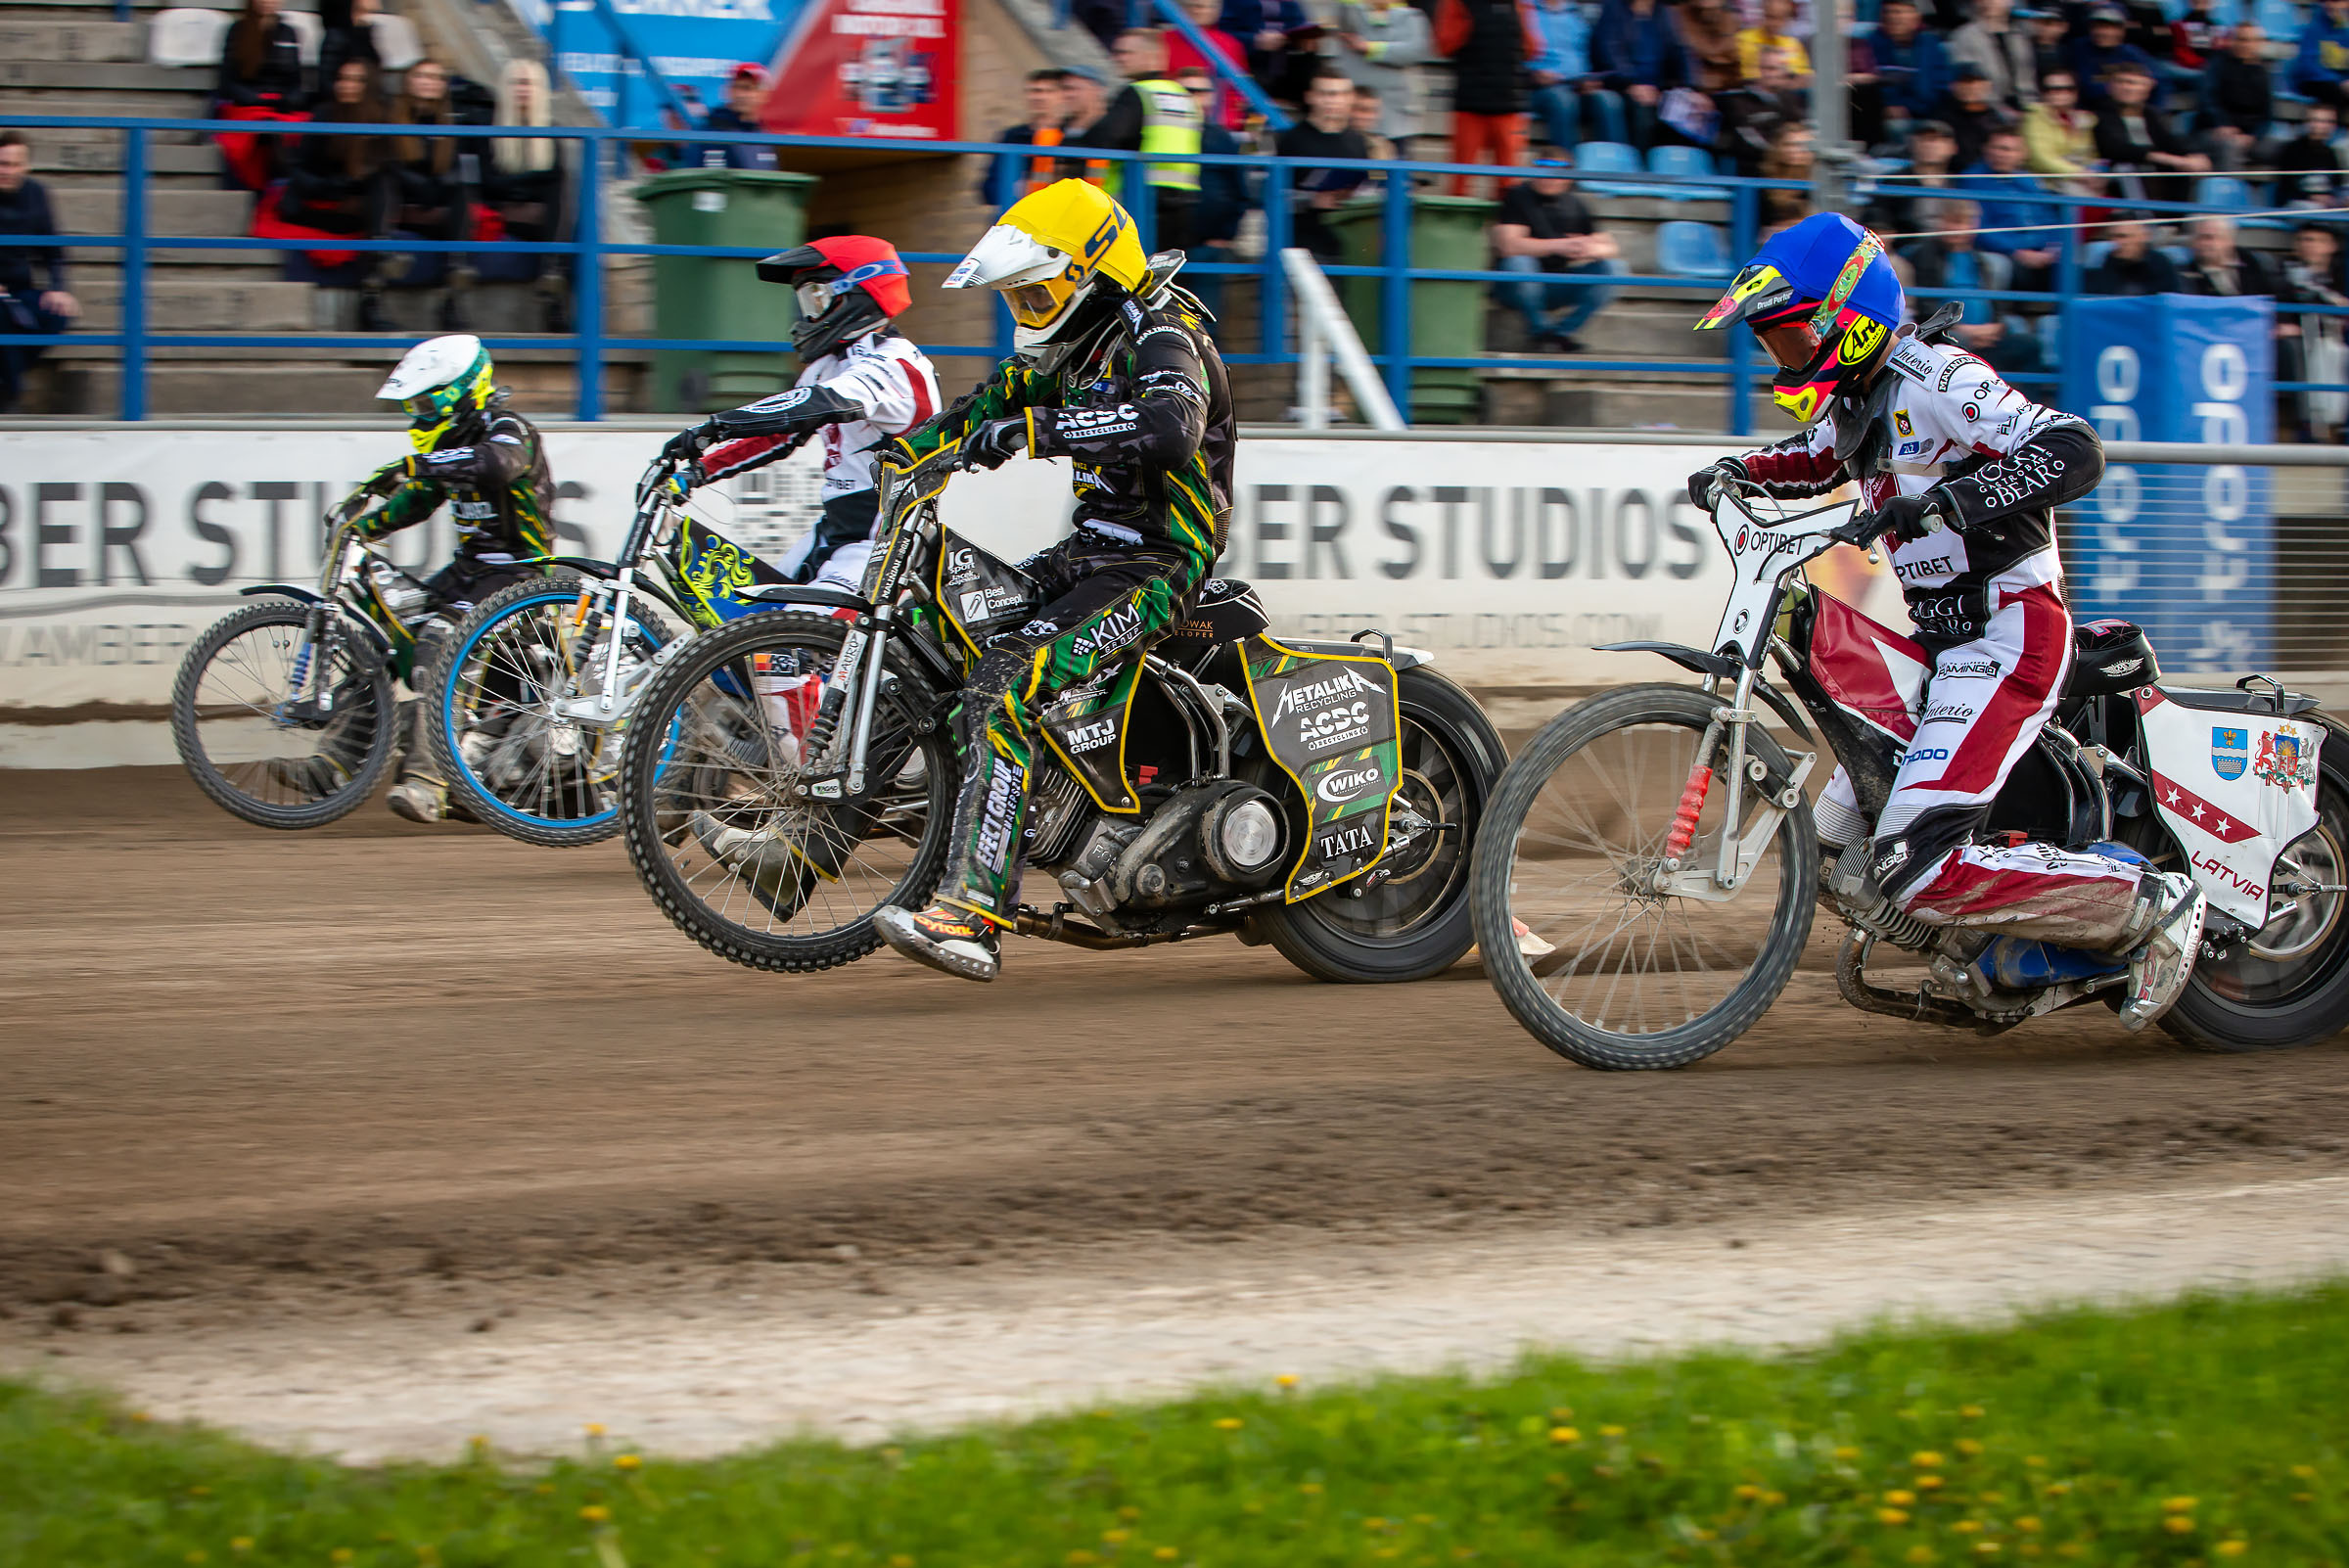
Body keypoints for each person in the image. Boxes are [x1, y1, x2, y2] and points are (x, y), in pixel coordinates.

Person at [1685, 211, 2207, 1032]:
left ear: (1846, 317)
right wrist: (1732, 470)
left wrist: (1961, 500)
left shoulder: (1937, 377)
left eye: (1791, 338)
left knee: (1908, 866)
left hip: (2010, 633)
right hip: (1940, 652)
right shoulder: (1860, 400)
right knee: (1828, 851)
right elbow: (1813, 456)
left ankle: (2149, 904)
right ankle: (1987, 945)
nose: (1781, 358)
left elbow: (2072, 447)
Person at [870, 179, 1235, 982]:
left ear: (1095, 271)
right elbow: (981, 408)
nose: (1027, 307)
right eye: (1017, 294)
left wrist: (1037, 430)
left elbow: (1171, 429)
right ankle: (806, 844)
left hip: (1160, 563)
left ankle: (974, 915)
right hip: (1089, 554)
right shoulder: (1073, 347)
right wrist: (905, 455)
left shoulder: (1161, 334)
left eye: (1037, 289)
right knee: (949, 643)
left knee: (1004, 686)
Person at [339, 335, 557, 823]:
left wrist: (419, 464)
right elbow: (418, 500)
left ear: (458, 391)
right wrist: (362, 528)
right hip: (469, 570)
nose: (417, 415)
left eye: (422, 402)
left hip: (519, 573)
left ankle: (428, 780)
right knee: (383, 636)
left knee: (441, 640)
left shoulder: (509, 428)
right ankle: (333, 763)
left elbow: (499, 464)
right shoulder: (451, 442)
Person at [665, 238, 941, 605]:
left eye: (817, 298)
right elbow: (778, 435)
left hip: (881, 540)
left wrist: (718, 424)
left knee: (796, 648)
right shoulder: (830, 364)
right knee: (746, 616)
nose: (805, 317)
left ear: (858, 293)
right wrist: (695, 472)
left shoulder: (897, 363)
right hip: (833, 530)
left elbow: (819, 403)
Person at [372, 58, 475, 331]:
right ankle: (371, 292)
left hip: (434, 204)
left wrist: (436, 189)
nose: (429, 82)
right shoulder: (390, 117)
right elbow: (389, 164)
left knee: (462, 192)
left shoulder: (452, 125)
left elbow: (456, 169)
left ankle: (454, 286)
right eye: (422, 76)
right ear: (409, 81)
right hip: (399, 202)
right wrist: (424, 187)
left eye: (437, 77)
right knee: (382, 182)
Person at [1082, 30, 1206, 253]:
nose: (1118, 58)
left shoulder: (1138, 92)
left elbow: (1106, 136)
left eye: (1126, 52)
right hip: (1185, 199)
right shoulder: (1183, 95)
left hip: (1142, 196)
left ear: (1149, 56)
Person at [1491, 158, 1623, 351]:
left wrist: (1588, 248)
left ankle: (1560, 334)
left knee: (1614, 268)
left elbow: (1611, 247)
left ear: (1568, 177)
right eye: (1543, 172)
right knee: (1519, 263)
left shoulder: (1575, 203)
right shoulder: (1518, 195)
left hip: (1554, 284)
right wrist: (1560, 245)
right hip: (1513, 287)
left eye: (1556, 174)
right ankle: (1541, 332)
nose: (1549, 179)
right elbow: (1509, 246)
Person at [484, 59, 570, 332]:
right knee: (552, 198)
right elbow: (488, 183)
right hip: (500, 212)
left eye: (529, 83)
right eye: (516, 83)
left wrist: (518, 185)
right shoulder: (487, 129)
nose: (523, 89)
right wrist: (525, 184)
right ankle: (552, 281)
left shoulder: (552, 131)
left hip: (539, 218)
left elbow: (554, 177)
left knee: (559, 198)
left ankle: (552, 281)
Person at [0, 132, 78, 416]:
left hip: (21, 289)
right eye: (2, 163)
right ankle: (13, 391)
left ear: (26, 166)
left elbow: (53, 252)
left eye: (13, 164)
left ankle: (8, 380)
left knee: (59, 312)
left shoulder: (37, 194)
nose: (6, 171)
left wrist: (59, 288)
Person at [277, 57, 383, 237]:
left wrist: (346, 185)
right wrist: (320, 185)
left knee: (377, 190)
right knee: (289, 204)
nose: (346, 85)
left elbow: (376, 167)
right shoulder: (323, 113)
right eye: (343, 79)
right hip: (320, 189)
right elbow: (301, 164)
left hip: (354, 192)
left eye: (356, 80)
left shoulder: (380, 119)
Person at [1438, 0, 1536, 192]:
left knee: (1506, 183)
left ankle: (1508, 221)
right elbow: (1445, 44)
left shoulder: (1519, 4)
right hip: (1477, 104)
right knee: (1462, 180)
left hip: (1504, 105)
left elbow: (1532, 47)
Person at [214, 0, 311, 190]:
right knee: (265, 131)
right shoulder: (238, 31)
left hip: (280, 106)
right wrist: (256, 99)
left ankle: (284, 183)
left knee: (304, 128)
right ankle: (279, 184)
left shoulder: (289, 33)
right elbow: (227, 83)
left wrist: (288, 100)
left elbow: (296, 83)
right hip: (247, 106)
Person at [1274, 70, 1372, 258]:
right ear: (1310, 97)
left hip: (1347, 242)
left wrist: (1354, 195)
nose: (1333, 101)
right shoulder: (1290, 140)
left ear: (1351, 98)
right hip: (1302, 246)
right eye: (1326, 94)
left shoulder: (1358, 140)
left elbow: (1367, 184)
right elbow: (1268, 193)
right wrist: (1311, 199)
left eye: (1342, 94)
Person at [1960, 126, 2064, 294]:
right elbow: (1977, 226)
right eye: (1996, 148)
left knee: (2073, 258)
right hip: (2003, 251)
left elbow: (2049, 218)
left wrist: (2052, 249)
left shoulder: (2029, 181)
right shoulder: (1972, 180)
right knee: (1997, 265)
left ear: (2022, 155)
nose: (2000, 154)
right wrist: (2017, 251)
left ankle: (2065, 317)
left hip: (2042, 250)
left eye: (2008, 150)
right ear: (1986, 149)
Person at [2096, 58, 2205, 206]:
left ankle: (2177, 222)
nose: (2126, 88)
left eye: (2132, 83)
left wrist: (2193, 155)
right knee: (2128, 169)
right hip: (2120, 173)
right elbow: (2116, 148)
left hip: (2154, 170)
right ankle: (2146, 220)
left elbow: (2170, 141)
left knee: (2186, 168)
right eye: (2120, 82)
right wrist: (2163, 158)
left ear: (2147, 89)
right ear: (2110, 87)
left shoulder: (2151, 114)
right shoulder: (2100, 114)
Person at [1524, 0, 1626, 152]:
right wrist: (1533, 75)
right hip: (1539, 88)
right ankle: (1565, 169)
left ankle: (1614, 165)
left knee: (1608, 101)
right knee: (1563, 100)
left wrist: (1589, 79)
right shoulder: (1526, 12)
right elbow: (1512, 56)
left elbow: (1591, 57)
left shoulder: (1577, 15)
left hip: (1577, 85)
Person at [1334, 0, 1435, 150]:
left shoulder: (1411, 17)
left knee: (1394, 166)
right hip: (1355, 116)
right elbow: (1345, 20)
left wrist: (1371, 48)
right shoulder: (1352, 12)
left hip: (1396, 117)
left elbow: (1415, 50)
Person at [1591, 0, 1689, 151]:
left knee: (1690, 110)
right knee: (1642, 110)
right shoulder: (1614, 8)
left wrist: (1691, 89)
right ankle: (1637, 168)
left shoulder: (1665, 13)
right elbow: (1608, 52)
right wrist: (1630, 84)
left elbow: (1681, 53)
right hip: (1622, 86)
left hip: (1659, 89)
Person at [2282, 223, 2349, 441]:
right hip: (2306, 333)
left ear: (2331, 246)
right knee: (2319, 350)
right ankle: (2312, 426)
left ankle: (2338, 426)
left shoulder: (2341, 272)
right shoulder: (2287, 272)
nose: (2308, 246)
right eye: (2304, 240)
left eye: (2316, 240)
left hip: (2336, 332)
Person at [983, 69, 1069, 206]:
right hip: (1018, 215)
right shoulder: (1012, 137)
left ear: (1061, 97)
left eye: (1048, 91)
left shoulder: (1070, 138)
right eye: (1034, 91)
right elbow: (988, 189)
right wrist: (1015, 189)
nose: (1039, 97)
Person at [1717, 46, 1807, 177]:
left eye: (1779, 69)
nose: (1773, 74)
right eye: (1768, 68)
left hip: (1786, 166)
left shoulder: (1790, 99)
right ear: (1757, 70)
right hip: (1751, 171)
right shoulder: (1738, 100)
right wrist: (1779, 153)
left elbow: (1800, 130)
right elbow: (1750, 139)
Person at [1869, 0, 1951, 141]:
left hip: (1928, 113)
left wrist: (1908, 107)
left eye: (1899, 12)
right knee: (1895, 127)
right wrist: (1889, 106)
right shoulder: (1871, 45)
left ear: (1915, 18)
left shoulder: (1930, 45)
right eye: (1888, 12)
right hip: (1883, 115)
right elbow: (1872, 86)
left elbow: (1939, 87)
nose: (1893, 17)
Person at [2198, 23, 2274, 171]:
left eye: (2252, 41)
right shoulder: (2217, 64)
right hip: (2215, 132)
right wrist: (2222, 124)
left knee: (2290, 149)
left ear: (2259, 44)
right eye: (2241, 39)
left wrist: (2253, 136)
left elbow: (2268, 114)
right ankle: (2229, 192)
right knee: (2229, 146)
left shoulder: (2262, 73)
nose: (2246, 45)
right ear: (2232, 40)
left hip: (2250, 138)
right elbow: (2207, 99)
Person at [1169, 0, 1250, 131]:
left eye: (1207, 7)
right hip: (1173, 110)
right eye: (1194, 5)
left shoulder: (1231, 44)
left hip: (1218, 116)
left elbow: (1238, 88)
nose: (1199, 10)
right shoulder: (1165, 40)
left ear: (1217, 11)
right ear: (1182, 8)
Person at [1948, 0, 2037, 111]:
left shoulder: (2022, 34)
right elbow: (1967, 82)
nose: (1990, 2)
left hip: (2027, 103)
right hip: (1987, 108)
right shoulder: (1964, 36)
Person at [690, 64, 779, 170]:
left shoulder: (766, 136)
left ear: (765, 95)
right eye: (736, 88)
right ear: (727, 92)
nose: (741, 95)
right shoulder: (708, 131)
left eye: (749, 88)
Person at [2069, 5, 2160, 109]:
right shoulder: (2079, 48)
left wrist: (2155, 111)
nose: (2103, 32)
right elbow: (2086, 86)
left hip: (2132, 108)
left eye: (2110, 27)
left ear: (2122, 31)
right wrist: (2124, 87)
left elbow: (2157, 81)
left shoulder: (2132, 52)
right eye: (2098, 27)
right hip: (2093, 109)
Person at [2180, 211, 2282, 298]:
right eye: (2198, 238)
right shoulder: (2187, 275)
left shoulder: (2252, 263)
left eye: (2210, 237)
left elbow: (2272, 298)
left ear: (2229, 240)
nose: (2204, 244)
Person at [1934, 62, 2016, 168]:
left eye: (1975, 83)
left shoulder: (1998, 118)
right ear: (1953, 86)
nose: (1970, 87)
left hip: (1989, 174)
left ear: (1987, 86)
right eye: (1964, 82)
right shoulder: (1941, 117)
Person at [2019, 68, 2096, 180]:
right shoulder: (2033, 117)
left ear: (2075, 93)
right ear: (2042, 93)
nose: (2059, 93)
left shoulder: (2085, 119)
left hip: (2084, 175)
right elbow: (2041, 159)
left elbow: (2091, 154)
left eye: (2067, 88)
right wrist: (2080, 173)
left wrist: (2096, 173)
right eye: (2050, 89)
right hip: (2049, 181)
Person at [2084, 213, 2183, 294]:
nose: (2116, 242)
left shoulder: (2160, 264)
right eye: (2112, 237)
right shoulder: (2102, 264)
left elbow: (2171, 301)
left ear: (2144, 236)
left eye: (2123, 236)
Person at [2277, 102, 2349, 208]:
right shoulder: (2292, 150)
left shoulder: (2331, 154)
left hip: (2327, 206)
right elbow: (2288, 187)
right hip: (2296, 205)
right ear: (2307, 122)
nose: (2322, 126)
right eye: (2317, 121)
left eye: (2329, 122)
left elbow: (2336, 186)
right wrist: (2314, 197)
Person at [1736, 0, 1812, 83]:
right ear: (1762, 14)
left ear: (1787, 20)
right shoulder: (1743, 40)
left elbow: (1805, 76)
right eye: (1770, 17)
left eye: (1780, 18)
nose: (1774, 23)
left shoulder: (1794, 44)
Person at [2292, 0, 2349, 108]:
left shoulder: (2345, 30)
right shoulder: (2314, 27)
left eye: (2338, 2)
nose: (2333, 6)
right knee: (2333, 90)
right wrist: (2339, 83)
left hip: (2337, 84)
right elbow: (2308, 66)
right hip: (2314, 82)